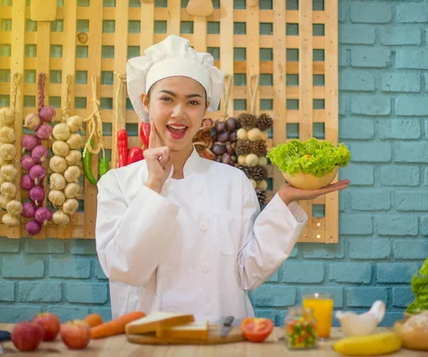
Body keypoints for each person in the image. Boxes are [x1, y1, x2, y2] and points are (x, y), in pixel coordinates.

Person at [95, 35, 349, 322]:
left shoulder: (232, 182)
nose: (179, 113)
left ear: (205, 114)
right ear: (146, 103)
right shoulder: (116, 183)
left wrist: (286, 198)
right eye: (167, 99)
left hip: (223, 340)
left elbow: (247, 273)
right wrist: (153, 185)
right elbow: (126, 269)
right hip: (150, 343)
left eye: (192, 102)